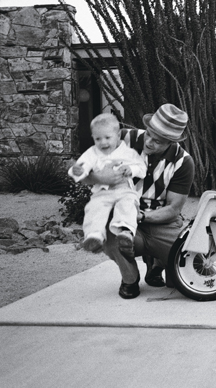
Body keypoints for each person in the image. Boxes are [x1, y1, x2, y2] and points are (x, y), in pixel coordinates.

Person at [83, 103, 195, 299]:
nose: (149, 142)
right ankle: (130, 278)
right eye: (149, 134)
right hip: (126, 217)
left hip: (162, 222)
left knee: (180, 279)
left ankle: (157, 263)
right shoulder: (126, 138)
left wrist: (141, 216)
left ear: (171, 142)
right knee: (110, 232)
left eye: (158, 141)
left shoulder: (183, 162)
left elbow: (173, 209)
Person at [68, 113, 147, 254]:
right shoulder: (92, 153)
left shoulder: (128, 153)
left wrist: (132, 169)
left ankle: (125, 231)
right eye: (98, 139)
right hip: (103, 192)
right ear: (93, 138)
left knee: (128, 204)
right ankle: (95, 236)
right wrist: (77, 171)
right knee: (94, 207)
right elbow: (82, 166)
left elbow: (142, 168)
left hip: (124, 190)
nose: (103, 143)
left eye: (107, 138)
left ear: (118, 135)